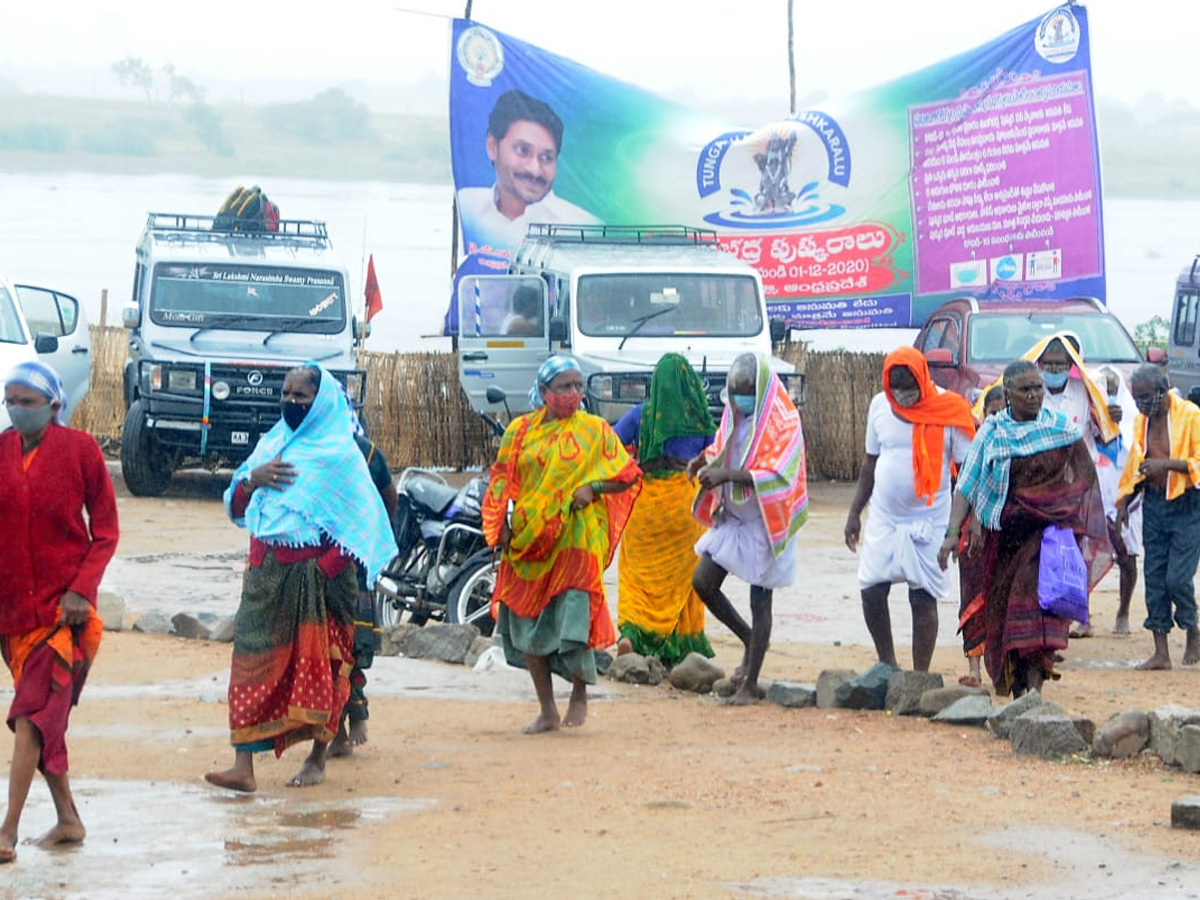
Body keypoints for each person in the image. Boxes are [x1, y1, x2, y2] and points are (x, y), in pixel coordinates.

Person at [205, 364, 396, 792]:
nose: (291, 403)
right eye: (286, 395)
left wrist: (322, 568)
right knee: (252, 660)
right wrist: (254, 481)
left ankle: (318, 757)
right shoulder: (271, 445)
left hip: (320, 578)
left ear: (320, 401)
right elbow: (237, 506)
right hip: (266, 572)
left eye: (301, 397)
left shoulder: (342, 455)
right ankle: (243, 766)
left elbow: (361, 524)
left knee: (326, 666)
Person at [482, 356, 641, 733]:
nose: (574, 394)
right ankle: (547, 709)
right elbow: (502, 482)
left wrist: (593, 487)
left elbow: (627, 474)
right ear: (543, 392)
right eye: (564, 387)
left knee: (574, 619)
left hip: (576, 539)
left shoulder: (595, 430)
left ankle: (580, 694)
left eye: (578, 386)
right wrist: (497, 529)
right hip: (529, 540)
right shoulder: (519, 432)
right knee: (527, 624)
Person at [0, 361, 118, 863]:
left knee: (30, 715)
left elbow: (107, 531)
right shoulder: (0, 450)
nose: (16, 411)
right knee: (46, 719)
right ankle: (69, 818)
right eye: (11, 401)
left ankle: (6, 833)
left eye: (27, 402)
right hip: (12, 615)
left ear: (53, 405)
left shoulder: (81, 451)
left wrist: (81, 590)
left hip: (62, 615)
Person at [938, 360, 1111, 697]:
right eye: (1025, 390)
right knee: (1005, 615)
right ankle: (1020, 689)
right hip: (1004, 540)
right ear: (1008, 393)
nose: (1033, 396)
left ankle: (1033, 692)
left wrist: (1067, 513)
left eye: (1037, 389)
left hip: (1047, 540)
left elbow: (1083, 480)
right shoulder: (993, 432)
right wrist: (951, 533)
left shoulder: (1060, 429)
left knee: (1039, 610)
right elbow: (969, 484)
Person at [844, 346, 975, 672]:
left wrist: (959, 527)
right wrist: (854, 512)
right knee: (871, 589)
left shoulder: (949, 409)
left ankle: (919, 676)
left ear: (923, 379)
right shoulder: (879, 406)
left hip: (930, 520)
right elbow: (869, 464)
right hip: (885, 518)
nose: (902, 397)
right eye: (896, 389)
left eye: (909, 388)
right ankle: (887, 665)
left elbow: (969, 475)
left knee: (922, 597)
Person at [690, 353, 808, 705]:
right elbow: (724, 446)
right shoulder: (735, 413)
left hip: (766, 520)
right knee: (703, 582)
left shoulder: (784, 421)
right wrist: (706, 461)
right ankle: (750, 638)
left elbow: (779, 474)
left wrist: (726, 475)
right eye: (734, 391)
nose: (739, 399)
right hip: (735, 517)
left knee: (761, 598)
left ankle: (751, 683)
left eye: (745, 392)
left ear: (760, 389)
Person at [612, 353, 717, 666]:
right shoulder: (698, 418)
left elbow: (611, 446)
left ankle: (632, 635)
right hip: (685, 505)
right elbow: (718, 452)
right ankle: (680, 646)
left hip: (645, 504)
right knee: (683, 579)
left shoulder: (641, 415)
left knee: (635, 575)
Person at [1026, 332, 1129, 638]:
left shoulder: (1085, 392)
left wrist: (1113, 419)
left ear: (1071, 365)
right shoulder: (1030, 392)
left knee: (1078, 551)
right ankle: (1045, 616)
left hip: (1079, 486)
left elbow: (1104, 436)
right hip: (1040, 486)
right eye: (1049, 364)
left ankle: (1081, 614)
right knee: (1042, 550)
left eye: (1060, 364)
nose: (1054, 370)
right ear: (1040, 363)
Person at [1115, 363, 1200, 670]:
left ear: (1164, 390)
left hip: (1187, 504)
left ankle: (1192, 628)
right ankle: (1161, 651)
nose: (1140, 404)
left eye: (1145, 397)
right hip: (1154, 504)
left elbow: (1198, 463)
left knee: (1177, 578)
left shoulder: (1191, 415)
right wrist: (1124, 502)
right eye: (1136, 398)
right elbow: (1137, 467)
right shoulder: (1142, 422)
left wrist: (1165, 465)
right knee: (1154, 578)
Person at [457, 89, 601, 250]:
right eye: (522, 150)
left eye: (546, 158)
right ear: (492, 146)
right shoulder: (467, 207)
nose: (535, 170)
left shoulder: (584, 228)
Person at [329, 432, 398, 758]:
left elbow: (388, 497)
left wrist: (370, 537)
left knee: (349, 649)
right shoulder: (295, 444)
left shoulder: (366, 453)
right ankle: (339, 730)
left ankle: (351, 719)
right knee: (324, 652)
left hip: (351, 566)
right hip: (307, 563)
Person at [956, 384, 1005, 688]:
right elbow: (964, 486)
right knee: (973, 596)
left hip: (1008, 532)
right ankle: (974, 668)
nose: (997, 419)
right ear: (983, 414)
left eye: (1003, 413)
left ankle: (1002, 669)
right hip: (974, 533)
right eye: (992, 413)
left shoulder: (1023, 442)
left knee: (1004, 599)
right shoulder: (974, 445)